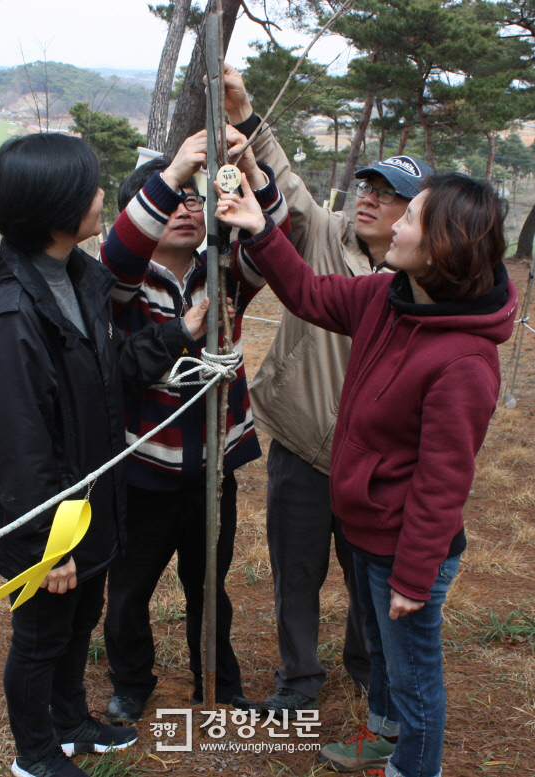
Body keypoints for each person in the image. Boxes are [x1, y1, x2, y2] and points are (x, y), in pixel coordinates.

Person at [215, 170, 516, 777]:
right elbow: (308, 293)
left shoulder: (465, 362)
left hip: (409, 547)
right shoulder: (389, 298)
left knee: (414, 680)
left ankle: (411, 766)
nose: (394, 224)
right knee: (384, 654)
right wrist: (260, 228)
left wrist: (413, 577)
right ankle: (381, 737)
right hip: (372, 529)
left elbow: (442, 485)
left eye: (412, 218)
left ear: (443, 245)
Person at [0, 132, 213, 777]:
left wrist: (178, 335)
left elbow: (110, 372)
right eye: (92, 187)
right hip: (48, 519)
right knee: (42, 638)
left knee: (80, 622)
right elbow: (18, 447)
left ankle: (71, 722)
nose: (103, 195)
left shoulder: (79, 277)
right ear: (56, 206)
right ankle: (35, 754)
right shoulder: (12, 312)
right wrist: (51, 545)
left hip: (93, 498)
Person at [222, 63, 432, 714]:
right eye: (365, 184)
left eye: (388, 193)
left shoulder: (417, 283)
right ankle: (297, 684)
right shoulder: (318, 229)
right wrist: (248, 114)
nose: (368, 197)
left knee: (368, 573)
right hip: (303, 448)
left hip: (374, 462)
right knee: (296, 574)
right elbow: (281, 178)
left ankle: (368, 669)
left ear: (415, 213)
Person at [100, 128, 290, 723]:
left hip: (212, 469)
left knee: (209, 586)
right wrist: (178, 167)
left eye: (193, 199)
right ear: (148, 212)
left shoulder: (227, 271)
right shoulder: (122, 285)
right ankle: (131, 682)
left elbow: (273, 240)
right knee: (129, 590)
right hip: (142, 468)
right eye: (173, 200)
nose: (185, 210)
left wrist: (251, 168)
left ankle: (221, 682)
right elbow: (121, 252)